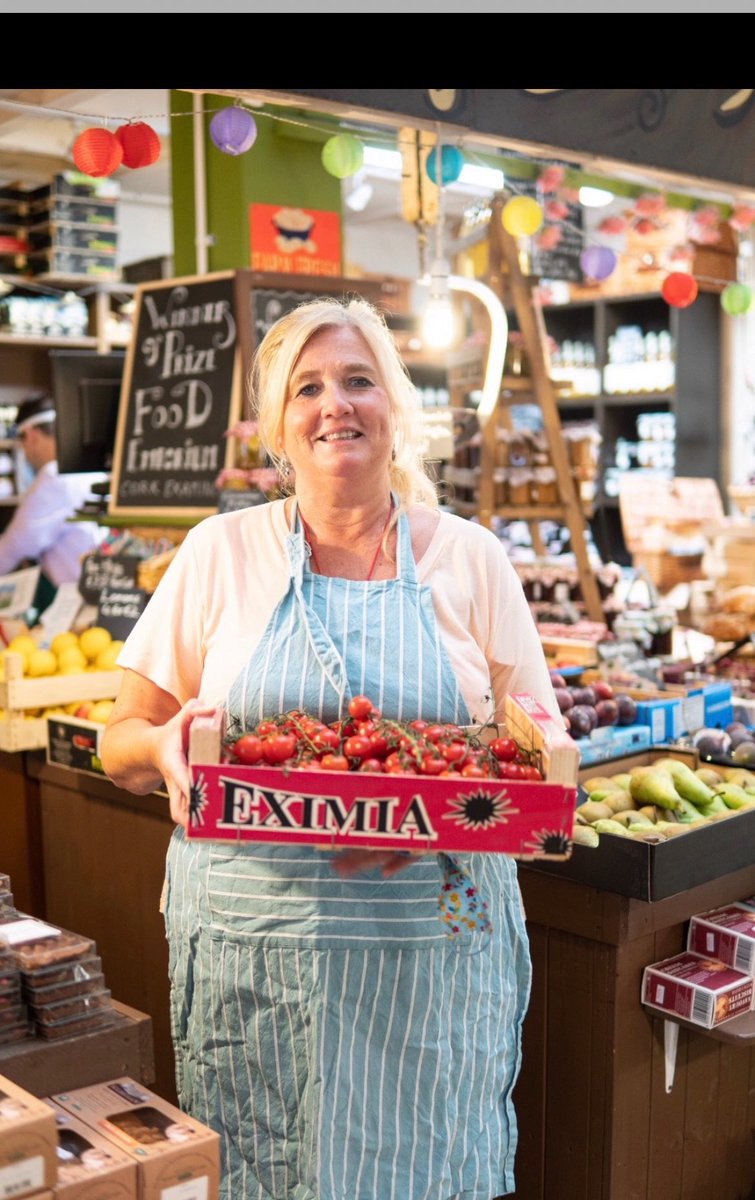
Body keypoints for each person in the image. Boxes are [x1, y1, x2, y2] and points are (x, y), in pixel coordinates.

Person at [100, 296, 562, 1200]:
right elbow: (119, 738)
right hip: (257, 960)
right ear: (278, 425)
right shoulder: (219, 554)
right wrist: (163, 750)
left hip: (431, 959)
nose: (334, 405)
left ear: (395, 406)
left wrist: (465, 801)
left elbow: (538, 753)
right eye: (307, 388)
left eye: (357, 380)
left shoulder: (471, 561)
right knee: (266, 1172)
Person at [0, 392, 105, 591]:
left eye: (21, 442)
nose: (24, 451)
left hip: (78, 598)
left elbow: (15, 546)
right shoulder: (88, 467)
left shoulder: (54, 477)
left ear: (30, 434)